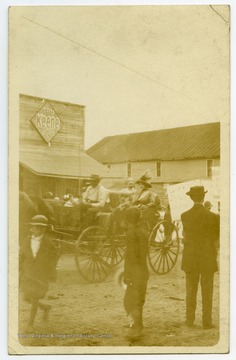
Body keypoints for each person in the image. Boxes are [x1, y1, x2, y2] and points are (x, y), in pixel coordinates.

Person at [181, 186, 220, 329]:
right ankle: (207, 322)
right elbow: (217, 242)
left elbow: (185, 237)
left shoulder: (184, 216)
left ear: (191, 198)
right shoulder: (214, 217)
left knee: (190, 290)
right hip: (207, 258)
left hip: (190, 258)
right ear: (203, 198)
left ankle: (189, 320)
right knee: (207, 290)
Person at [19, 215, 60, 333]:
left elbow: (53, 259)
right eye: (37, 227)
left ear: (45, 229)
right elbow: (22, 256)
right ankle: (46, 307)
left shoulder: (48, 243)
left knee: (35, 298)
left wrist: (51, 273)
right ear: (32, 228)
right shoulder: (26, 240)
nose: (39, 230)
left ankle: (30, 324)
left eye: (42, 228)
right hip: (27, 273)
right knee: (26, 297)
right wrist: (20, 270)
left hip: (41, 275)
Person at [123, 207, 149, 339]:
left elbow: (132, 256)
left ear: (128, 219)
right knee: (139, 300)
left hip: (134, 272)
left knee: (129, 301)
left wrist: (127, 275)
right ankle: (139, 325)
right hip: (143, 270)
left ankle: (137, 329)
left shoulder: (131, 233)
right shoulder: (143, 232)